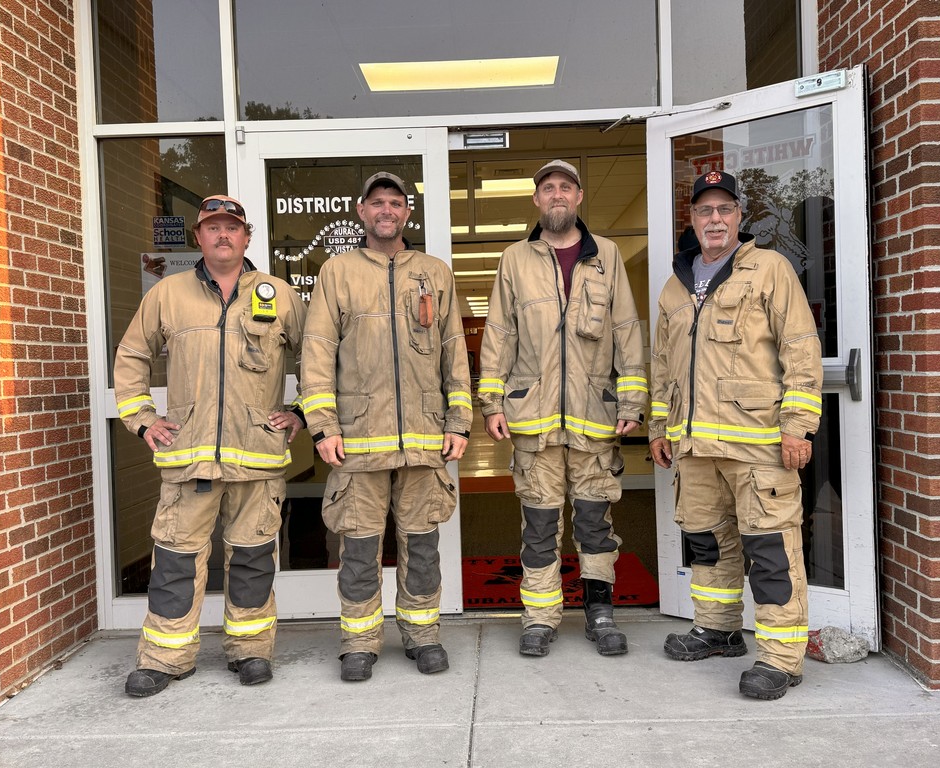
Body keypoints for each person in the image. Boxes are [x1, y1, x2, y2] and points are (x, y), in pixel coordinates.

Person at [114, 195, 306, 697]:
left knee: (253, 558)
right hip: (189, 458)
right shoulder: (168, 294)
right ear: (198, 237)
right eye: (212, 228)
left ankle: (251, 651)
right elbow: (133, 354)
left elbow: (321, 359)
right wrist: (141, 418)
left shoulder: (280, 295)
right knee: (176, 560)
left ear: (247, 237)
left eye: (232, 228)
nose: (223, 235)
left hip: (258, 459)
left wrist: (303, 412)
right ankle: (164, 658)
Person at [649, 170, 823, 700]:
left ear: (739, 218)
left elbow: (799, 347)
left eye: (724, 209)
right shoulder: (676, 285)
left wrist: (797, 426)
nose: (715, 219)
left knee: (769, 548)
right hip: (695, 446)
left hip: (757, 442)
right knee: (706, 544)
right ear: (694, 220)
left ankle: (780, 656)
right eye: (705, 211)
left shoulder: (769, 269)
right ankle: (719, 629)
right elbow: (663, 364)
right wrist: (660, 425)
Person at [301, 172, 472, 682]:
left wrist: (459, 420)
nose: (387, 210)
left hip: (423, 437)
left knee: (422, 544)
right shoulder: (337, 272)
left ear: (406, 213)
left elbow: (453, 353)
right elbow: (316, 353)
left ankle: (423, 635)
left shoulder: (435, 273)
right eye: (378, 202)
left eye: (396, 203)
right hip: (356, 439)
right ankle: (359, 642)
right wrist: (322, 425)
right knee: (358, 547)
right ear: (361, 211)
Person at [478, 160, 648, 658]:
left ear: (578, 198)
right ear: (537, 200)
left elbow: (626, 330)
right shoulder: (515, 258)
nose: (557, 194)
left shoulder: (607, 256)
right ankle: (539, 618)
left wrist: (633, 399)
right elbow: (500, 334)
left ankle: (600, 612)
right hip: (533, 419)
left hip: (594, 416)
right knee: (539, 524)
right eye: (547, 187)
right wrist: (491, 403)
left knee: (595, 522)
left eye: (566, 187)